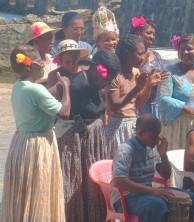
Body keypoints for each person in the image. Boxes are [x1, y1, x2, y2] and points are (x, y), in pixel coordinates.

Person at [0, 45, 70, 221]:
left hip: (21, 141)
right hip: (39, 144)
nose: (43, 65)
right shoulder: (36, 90)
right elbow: (64, 113)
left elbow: (37, 88)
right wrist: (66, 87)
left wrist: (47, 81)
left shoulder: (18, 86)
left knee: (24, 191)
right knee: (39, 189)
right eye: (40, 62)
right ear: (31, 66)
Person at [51, 50, 121, 222]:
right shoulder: (74, 84)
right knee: (74, 183)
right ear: (97, 70)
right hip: (73, 141)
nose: (107, 84)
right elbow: (46, 99)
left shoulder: (98, 84)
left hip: (93, 139)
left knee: (91, 185)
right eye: (107, 79)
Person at [111, 114, 194, 222]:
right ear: (140, 133)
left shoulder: (152, 148)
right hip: (126, 198)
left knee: (193, 200)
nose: (157, 139)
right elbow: (118, 181)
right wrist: (152, 191)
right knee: (158, 207)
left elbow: (166, 175)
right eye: (153, 136)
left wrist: (163, 155)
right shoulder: (126, 150)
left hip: (147, 193)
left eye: (158, 135)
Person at [104, 34, 168, 159]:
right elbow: (115, 105)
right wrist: (137, 88)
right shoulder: (114, 75)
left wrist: (149, 84)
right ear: (127, 54)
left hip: (134, 126)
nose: (144, 57)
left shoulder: (136, 72)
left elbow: (140, 103)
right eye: (140, 54)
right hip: (117, 128)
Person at [130, 16, 167, 118]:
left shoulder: (156, 55)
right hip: (138, 105)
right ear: (138, 33)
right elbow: (128, 76)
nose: (152, 37)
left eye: (154, 34)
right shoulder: (131, 55)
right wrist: (142, 63)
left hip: (155, 105)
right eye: (149, 33)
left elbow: (164, 75)